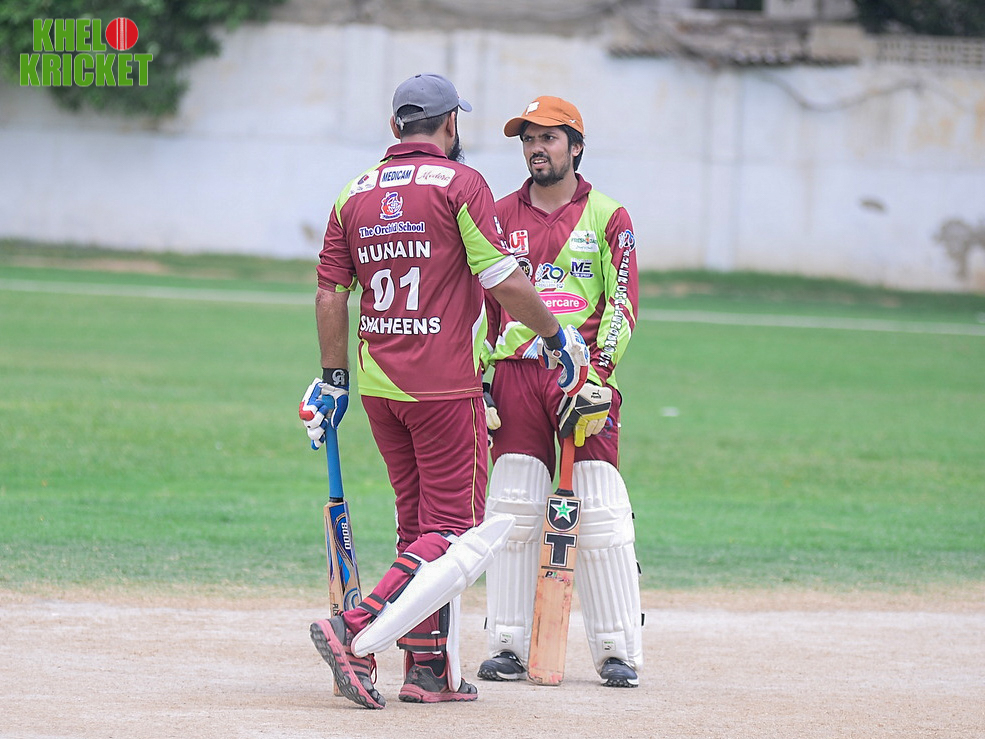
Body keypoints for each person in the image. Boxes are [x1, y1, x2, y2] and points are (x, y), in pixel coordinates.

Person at [298, 75, 591, 710]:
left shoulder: (354, 192)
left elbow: (330, 291)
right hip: (445, 388)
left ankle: (428, 669)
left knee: (418, 530)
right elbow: (502, 277)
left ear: (396, 127)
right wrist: (556, 335)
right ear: (451, 123)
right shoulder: (461, 184)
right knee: (455, 531)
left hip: (378, 389)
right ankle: (354, 628)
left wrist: (333, 379)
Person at [478, 96, 643, 688]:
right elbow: (481, 307)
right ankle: (508, 644)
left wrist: (598, 374)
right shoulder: (496, 215)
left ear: (576, 146)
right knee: (515, 504)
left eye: (548, 137)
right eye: (528, 139)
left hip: (583, 377)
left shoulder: (609, 216)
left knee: (597, 509)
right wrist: (481, 381)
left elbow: (622, 302)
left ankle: (617, 650)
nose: (535, 149)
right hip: (516, 372)